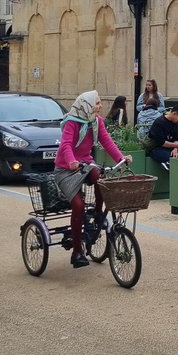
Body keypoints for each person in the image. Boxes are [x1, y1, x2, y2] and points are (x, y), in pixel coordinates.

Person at [52, 90, 132, 268]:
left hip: (86, 164)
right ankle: (77, 253)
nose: (100, 106)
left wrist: (121, 158)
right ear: (86, 106)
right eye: (97, 103)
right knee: (78, 206)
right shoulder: (71, 123)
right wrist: (71, 161)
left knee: (100, 178)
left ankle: (97, 214)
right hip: (66, 169)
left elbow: (107, 141)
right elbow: (65, 145)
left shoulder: (96, 122)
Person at [146, 103, 178, 169]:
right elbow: (161, 142)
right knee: (170, 157)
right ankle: (169, 164)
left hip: (171, 147)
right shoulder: (159, 122)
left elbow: (176, 138)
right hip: (157, 148)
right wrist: (176, 145)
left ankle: (175, 162)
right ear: (175, 113)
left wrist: (175, 149)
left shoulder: (176, 123)